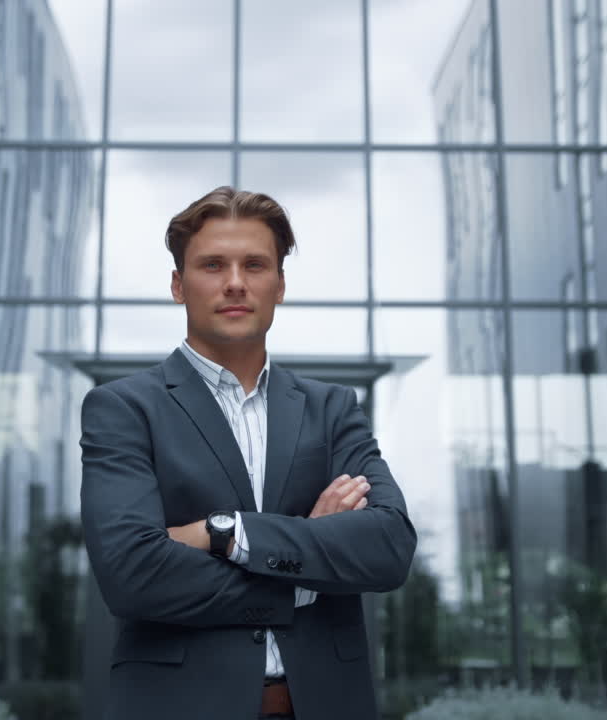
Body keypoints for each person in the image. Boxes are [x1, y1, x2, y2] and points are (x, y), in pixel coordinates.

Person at [80, 186, 416, 719]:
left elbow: (388, 546)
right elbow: (132, 576)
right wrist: (308, 569)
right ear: (177, 284)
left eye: (255, 265)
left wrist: (229, 533)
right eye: (213, 265)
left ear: (279, 285)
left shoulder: (332, 410)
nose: (235, 282)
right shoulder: (122, 409)